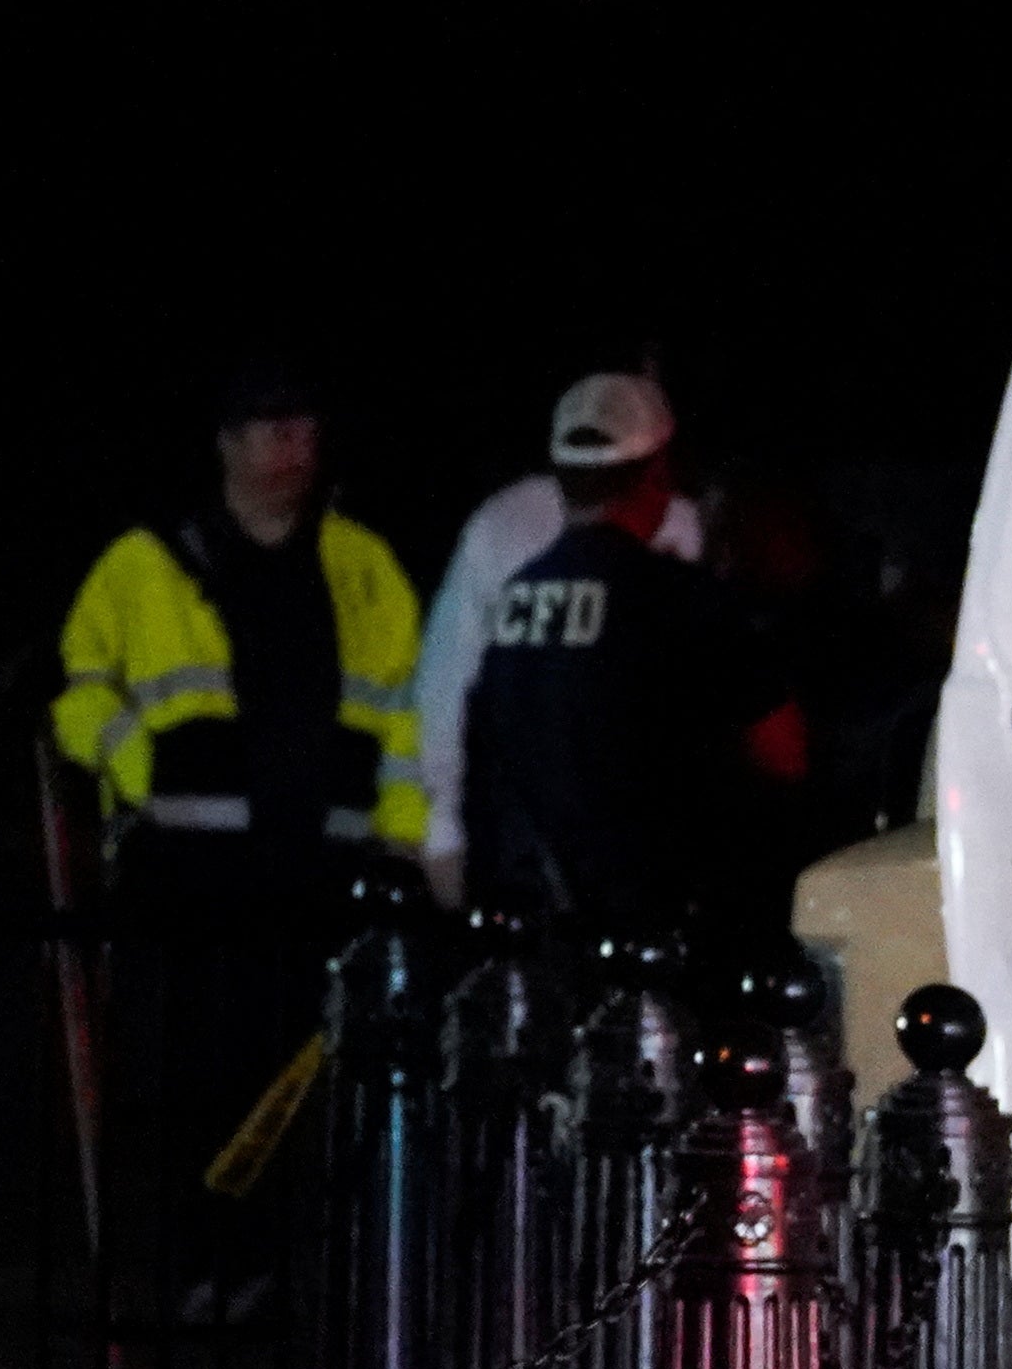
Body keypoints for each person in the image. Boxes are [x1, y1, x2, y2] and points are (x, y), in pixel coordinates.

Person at [51, 360, 429, 905]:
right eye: (276, 426)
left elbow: (409, 712)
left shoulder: (365, 566)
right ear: (226, 442)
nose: (297, 443)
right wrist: (146, 769)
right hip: (183, 871)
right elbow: (80, 695)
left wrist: (401, 841)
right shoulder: (145, 563)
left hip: (328, 872)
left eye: (306, 427)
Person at [455, 374, 799, 947]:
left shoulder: (515, 601)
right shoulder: (685, 601)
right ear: (658, 471)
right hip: (656, 942)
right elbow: (783, 753)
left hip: (533, 932)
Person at [411, 369, 708, 902]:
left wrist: (443, 837)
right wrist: (445, 838)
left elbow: (444, 692)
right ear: (660, 463)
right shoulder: (505, 527)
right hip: (563, 866)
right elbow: (445, 696)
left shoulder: (506, 530)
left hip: (572, 861)